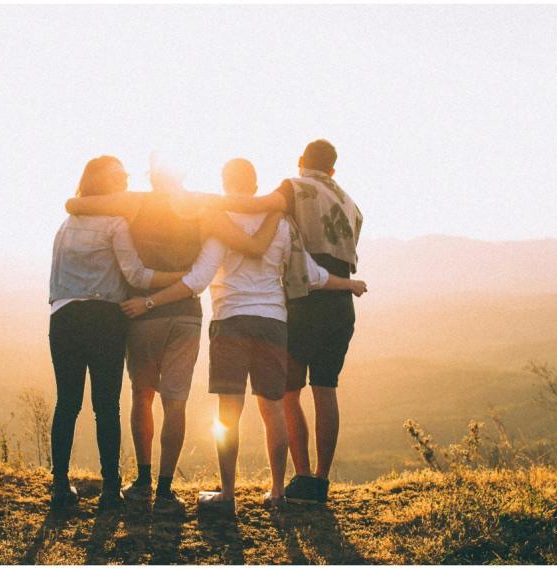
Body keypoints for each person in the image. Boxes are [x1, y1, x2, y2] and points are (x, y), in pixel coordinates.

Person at [121, 158, 367, 510]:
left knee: (228, 413)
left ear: (225, 182)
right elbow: (311, 275)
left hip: (230, 321)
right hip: (273, 322)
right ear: (255, 186)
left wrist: (149, 301)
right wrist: (350, 284)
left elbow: (198, 279)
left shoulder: (221, 222)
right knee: (273, 410)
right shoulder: (281, 223)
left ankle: (227, 495)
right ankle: (278, 492)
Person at [64, 158, 281, 515]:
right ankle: (165, 490)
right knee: (175, 402)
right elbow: (249, 231)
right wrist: (276, 207)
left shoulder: (135, 202)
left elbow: (76, 204)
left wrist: (75, 202)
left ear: (152, 176)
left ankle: (143, 481)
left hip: (142, 312)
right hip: (186, 314)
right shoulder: (203, 205)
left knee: (142, 395)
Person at [214, 140, 363, 504]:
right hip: (340, 302)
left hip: (303, 300)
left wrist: (203, 204)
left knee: (288, 394)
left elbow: (255, 206)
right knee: (326, 390)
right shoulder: (349, 203)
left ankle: (301, 477)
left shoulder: (293, 187)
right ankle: (321, 483)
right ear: (333, 169)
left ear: (301, 162)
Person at [48, 155, 185, 511]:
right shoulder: (115, 223)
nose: (125, 179)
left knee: (67, 404)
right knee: (106, 406)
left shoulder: (66, 225)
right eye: (119, 175)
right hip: (104, 319)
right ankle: (111, 491)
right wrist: (181, 278)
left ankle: (60, 488)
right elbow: (136, 276)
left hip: (63, 318)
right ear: (103, 183)